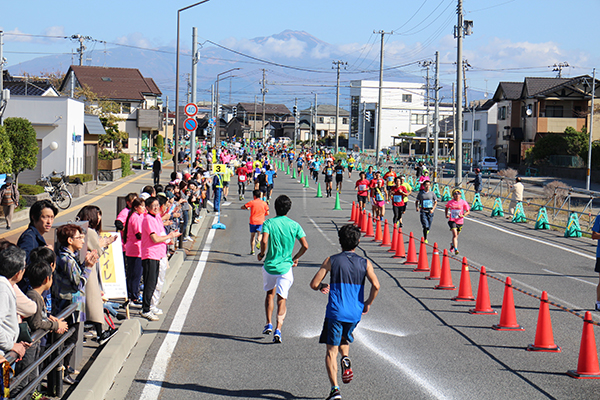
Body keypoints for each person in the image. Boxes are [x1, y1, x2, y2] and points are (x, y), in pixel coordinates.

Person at [309, 224, 380, 400]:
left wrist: (322, 287)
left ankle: (335, 390)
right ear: (358, 241)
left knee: (331, 350)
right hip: (354, 313)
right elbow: (376, 285)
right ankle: (346, 358)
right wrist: (368, 303)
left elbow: (314, 284)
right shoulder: (365, 262)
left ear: (340, 241)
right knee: (344, 338)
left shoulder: (331, 260)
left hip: (336, 311)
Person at [257, 195, 308, 343]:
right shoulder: (294, 225)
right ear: (289, 208)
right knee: (282, 298)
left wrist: (262, 253)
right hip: (285, 268)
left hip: (270, 266)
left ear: (275, 207)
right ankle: (278, 329)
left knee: (269, 294)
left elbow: (264, 240)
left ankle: (268, 323)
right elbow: (305, 245)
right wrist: (294, 257)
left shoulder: (269, 223)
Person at [53, 224, 99, 383]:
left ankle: (66, 368)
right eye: (79, 237)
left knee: (71, 338)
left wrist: (85, 264)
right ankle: (63, 372)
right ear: (69, 240)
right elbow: (78, 283)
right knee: (69, 339)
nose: (82, 240)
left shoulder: (68, 257)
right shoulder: (66, 259)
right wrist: (88, 267)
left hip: (73, 303)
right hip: (69, 304)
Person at [77, 206, 118, 345]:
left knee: (85, 304)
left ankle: (90, 332)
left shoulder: (79, 229)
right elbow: (98, 251)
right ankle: (101, 333)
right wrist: (105, 243)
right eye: (98, 215)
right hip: (90, 271)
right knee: (94, 302)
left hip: (82, 269)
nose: (99, 218)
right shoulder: (90, 232)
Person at [140, 197, 181, 321]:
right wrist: (170, 235)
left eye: (157, 205)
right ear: (147, 208)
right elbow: (155, 238)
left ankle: (150, 306)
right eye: (153, 206)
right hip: (150, 254)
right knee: (150, 283)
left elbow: (159, 232)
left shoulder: (156, 217)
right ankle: (145, 309)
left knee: (154, 282)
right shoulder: (148, 219)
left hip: (157, 254)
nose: (157, 207)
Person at [0, 246, 30, 361]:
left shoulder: (5, 285)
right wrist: (11, 345)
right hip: (3, 354)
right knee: (6, 379)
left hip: (6, 349)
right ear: (18, 273)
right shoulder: (3, 289)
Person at [124, 198, 146, 305]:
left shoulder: (137, 216)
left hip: (133, 248)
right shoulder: (136, 218)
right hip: (136, 249)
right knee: (135, 274)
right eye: (142, 206)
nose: (144, 208)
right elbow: (139, 234)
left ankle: (131, 294)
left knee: (132, 273)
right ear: (136, 207)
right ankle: (133, 296)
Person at [241, 190, 269, 255]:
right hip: (261, 221)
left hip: (253, 221)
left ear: (254, 196)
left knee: (252, 236)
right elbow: (267, 212)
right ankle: (258, 240)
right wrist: (262, 214)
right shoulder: (264, 203)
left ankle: (252, 250)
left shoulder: (252, 202)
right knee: (260, 234)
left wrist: (246, 208)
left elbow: (243, 207)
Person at [445, 188, 470, 255]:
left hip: (460, 221)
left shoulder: (463, 202)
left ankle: (452, 244)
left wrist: (463, 215)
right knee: (455, 234)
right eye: (455, 194)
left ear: (460, 195)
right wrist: (446, 214)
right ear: (453, 195)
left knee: (456, 236)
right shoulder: (450, 202)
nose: (457, 195)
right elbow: (446, 207)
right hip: (452, 220)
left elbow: (468, 211)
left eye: (458, 194)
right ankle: (456, 249)